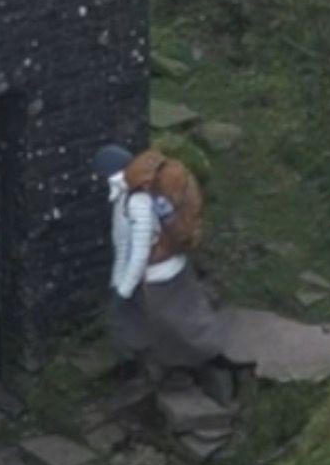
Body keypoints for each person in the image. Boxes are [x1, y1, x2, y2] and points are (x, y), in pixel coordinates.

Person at [95, 143, 233, 387]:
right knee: (184, 320)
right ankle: (189, 363)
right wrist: (118, 284)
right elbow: (125, 247)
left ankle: (211, 361)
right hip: (169, 271)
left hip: (158, 278)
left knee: (180, 326)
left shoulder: (136, 202)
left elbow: (137, 253)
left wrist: (123, 289)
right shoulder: (132, 197)